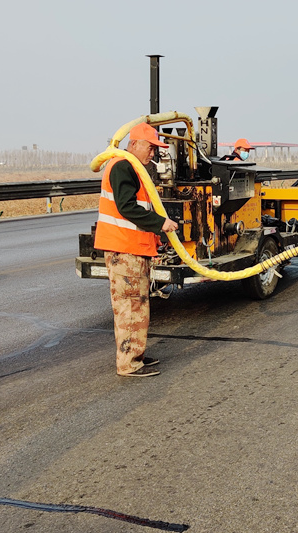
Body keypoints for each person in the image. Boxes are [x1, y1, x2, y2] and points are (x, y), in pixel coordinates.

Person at [94, 122, 179, 377]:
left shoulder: (133, 168)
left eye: (155, 148)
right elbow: (126, 207)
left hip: (131, 249)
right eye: (150, 147)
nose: (153, 153)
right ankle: (129, 364)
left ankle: (136, 354)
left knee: (138, 305)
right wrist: (160, 223)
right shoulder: (122, 166)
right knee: (130, 307)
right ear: (134, 144)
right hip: (123, 251)